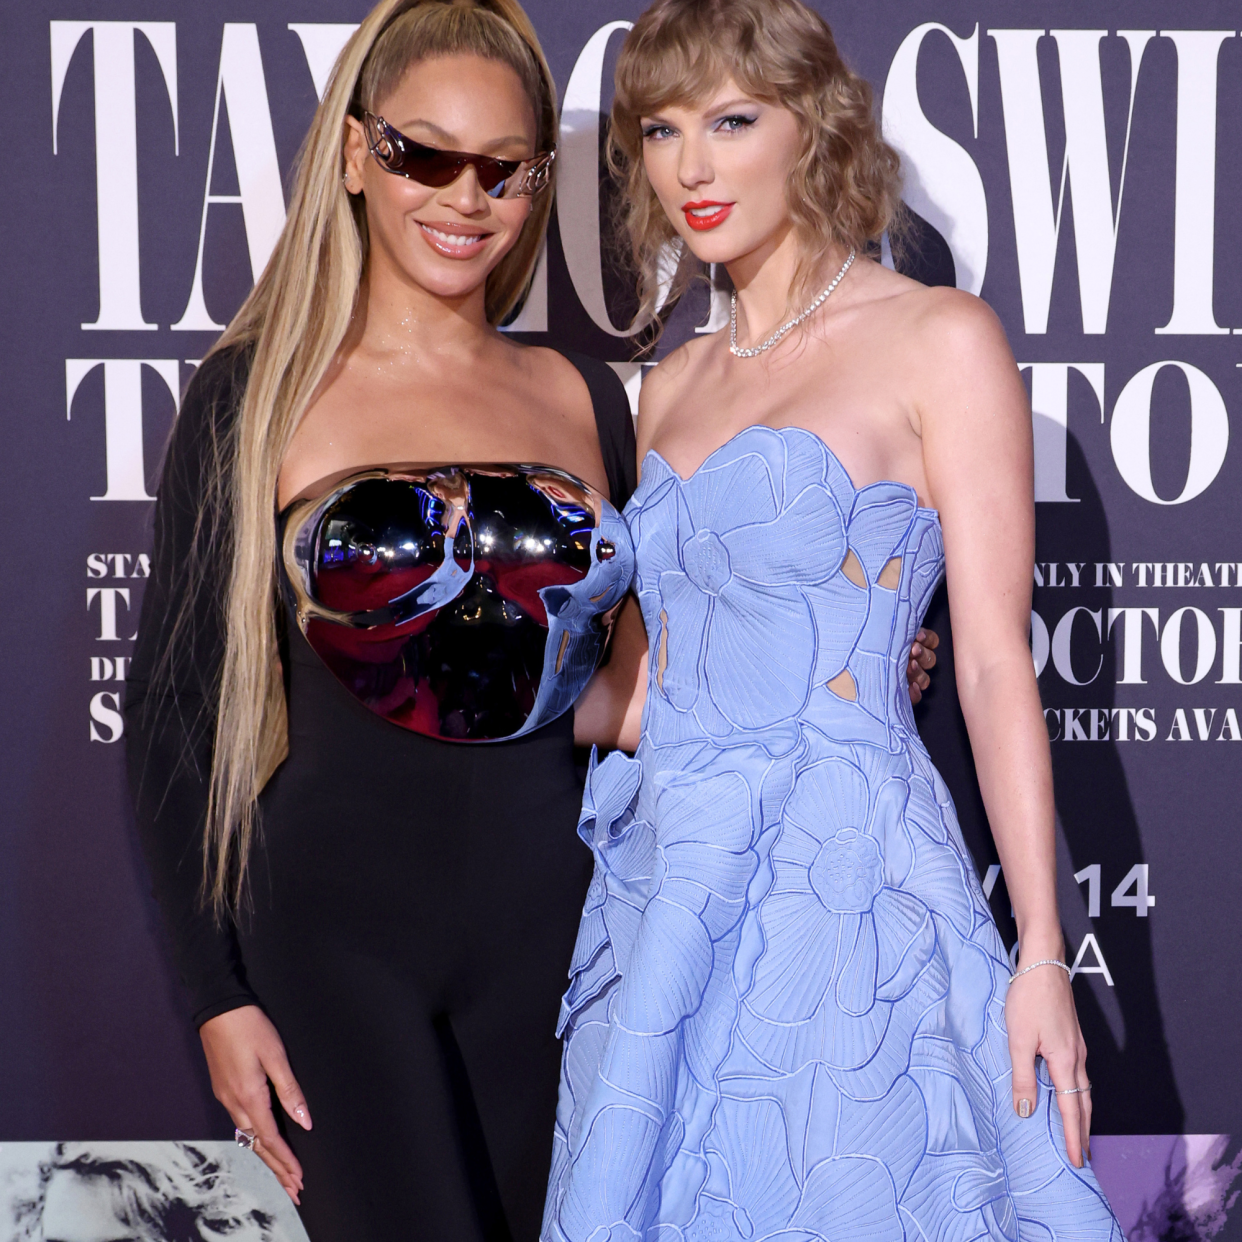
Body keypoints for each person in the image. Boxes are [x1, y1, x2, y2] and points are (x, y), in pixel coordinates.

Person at [125, 0, 934, 1237]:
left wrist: (846, 659)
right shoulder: (260, 388)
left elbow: (652, 677)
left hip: (558, 930)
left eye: (503, 169)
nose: (465, 197)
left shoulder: (570, 391)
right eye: (423, 156)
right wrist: (214, 991)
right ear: (355, 154)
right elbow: (174, 713)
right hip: (335, 945)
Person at [541, 2, 1122, 1240]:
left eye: (732, 120)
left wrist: (1038, 954)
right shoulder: (671, 385)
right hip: (667, 896)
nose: (692, 166)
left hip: (843, 882)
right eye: (661, 129)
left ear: (814, 126)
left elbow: (986, 661)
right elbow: (642, 693)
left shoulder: (937, 338)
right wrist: (442, 682)